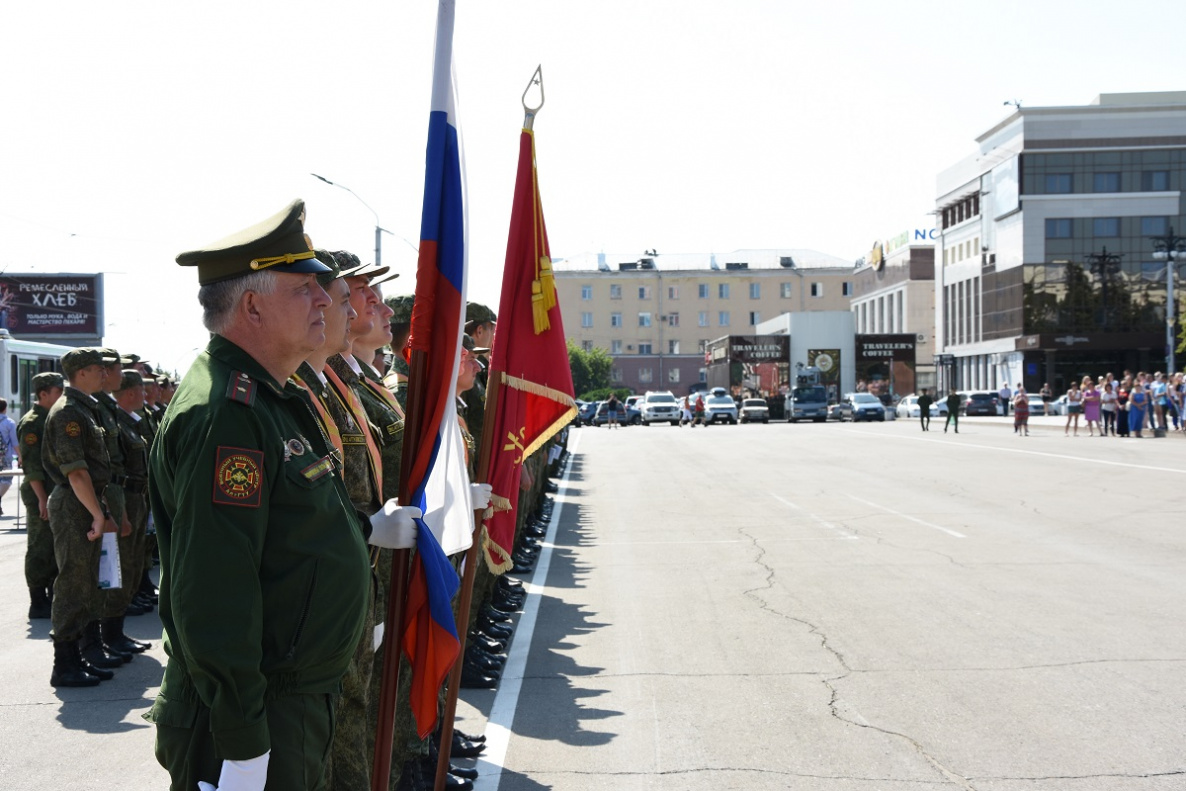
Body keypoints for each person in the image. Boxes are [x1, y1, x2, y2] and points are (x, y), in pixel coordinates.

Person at [143, 200, 416, 791]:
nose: (325, 300)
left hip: (296, 697)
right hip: (261, 710)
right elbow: (215, 590)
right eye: (306, 288)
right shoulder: (227, 414)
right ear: (252, 305)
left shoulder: (273, 399)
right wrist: (242, 744)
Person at [42, 347, 119, 687]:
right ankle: (64, 664)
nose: (105, 374)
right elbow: (76, 474)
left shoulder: (83, 408)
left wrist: (101, 511)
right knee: (73, 581)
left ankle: (80, 656)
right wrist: (97, 515)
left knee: (86, 580)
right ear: (81, 373)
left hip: (84, 503)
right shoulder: (69, 413)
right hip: (75, 503)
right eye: (98, 368)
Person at [18, 372, 64, 620]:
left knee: (54, 546)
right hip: (40, 492)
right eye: (58, 392)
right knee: (39, 546)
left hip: (52, 491)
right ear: (43, 394)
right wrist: (41, 498)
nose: (61, 396)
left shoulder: (52, 417)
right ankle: (37, 601)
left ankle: (50, 595)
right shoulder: (33, 423)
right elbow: (32, 466)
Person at [0, 398, 18, 514]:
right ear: (5, 409)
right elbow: (15, 442)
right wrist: (20, 456)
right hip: (5, 456)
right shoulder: (9, 423)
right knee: (6, 479)